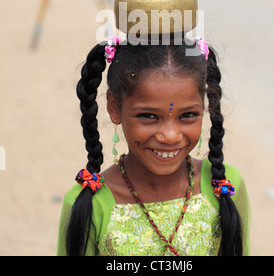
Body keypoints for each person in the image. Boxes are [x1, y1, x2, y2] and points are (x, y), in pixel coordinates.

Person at [57, 37, 251, 257]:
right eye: (148, 116)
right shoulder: (88, 205)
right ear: (114, 107)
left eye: (188, 115)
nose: (169, 136)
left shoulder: (226, 188)